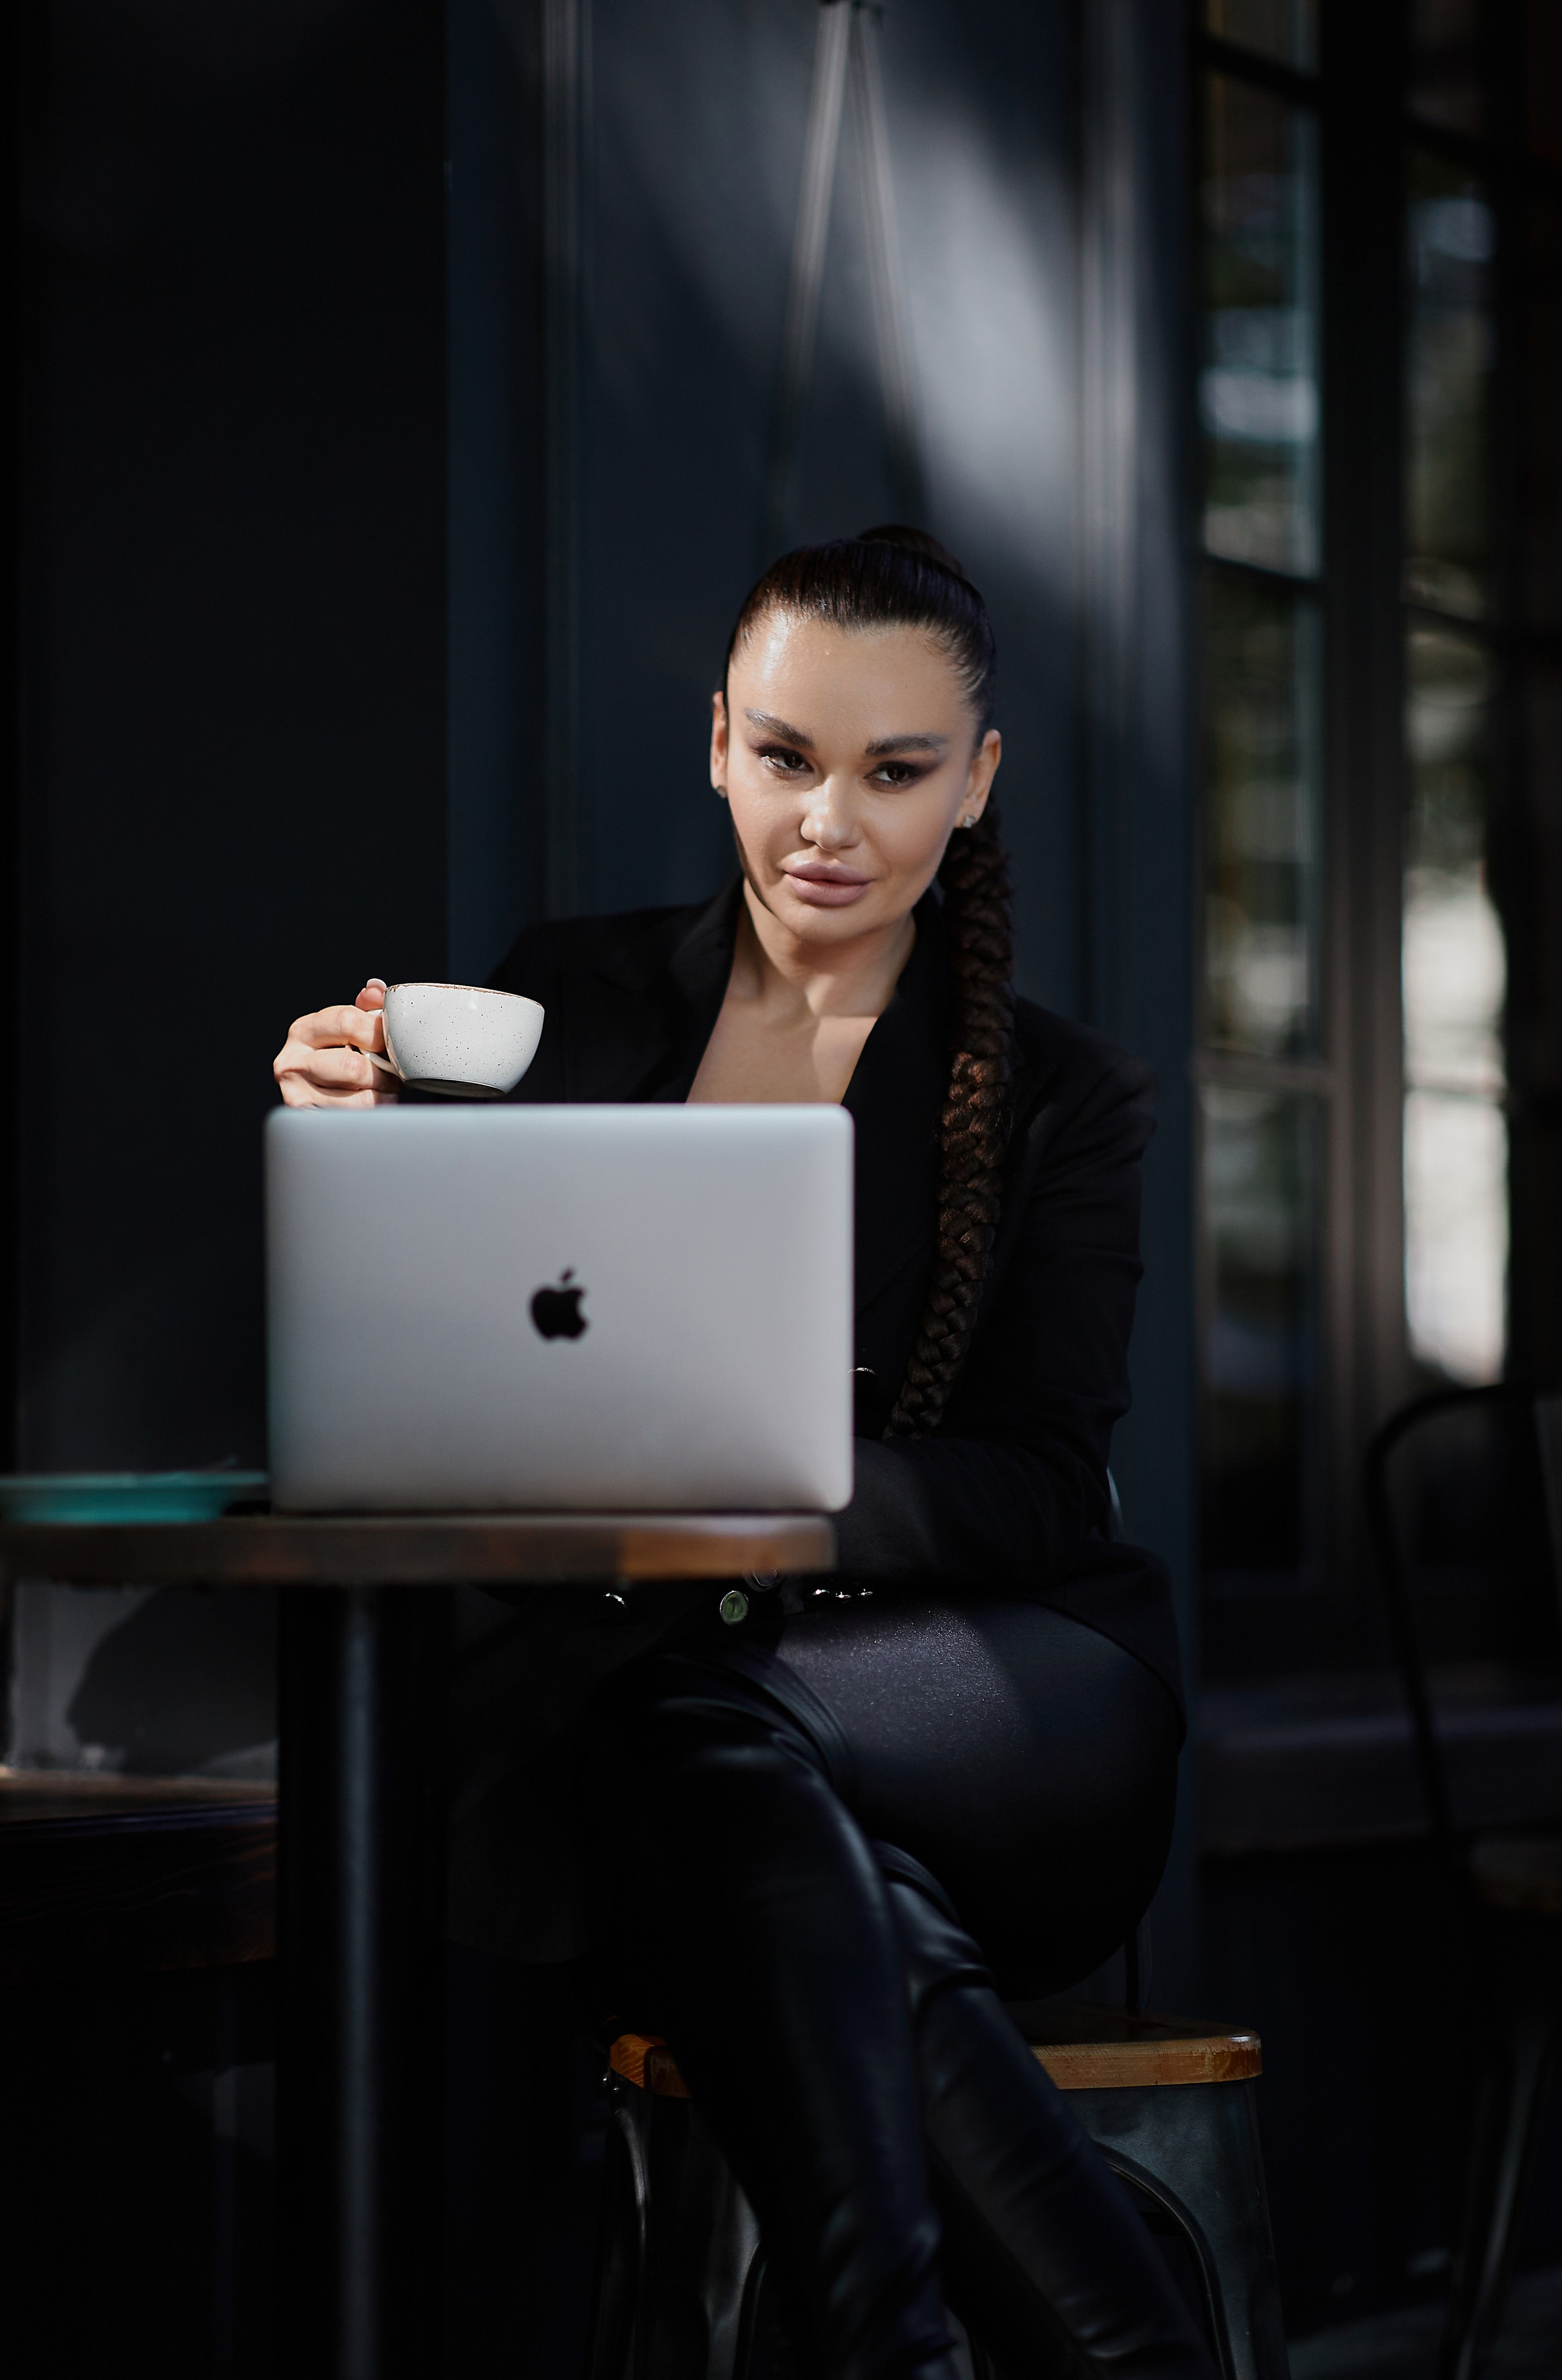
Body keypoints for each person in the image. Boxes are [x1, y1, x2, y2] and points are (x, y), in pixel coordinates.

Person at [275, 528, 1211, 2380]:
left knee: (698, 1742)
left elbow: (1037, 1484)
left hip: (1016, 1693)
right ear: (716, 741)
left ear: (981, 779)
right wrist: (365, 1145)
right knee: (734, 1793)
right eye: (786, 756)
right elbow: (467, 1366)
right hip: (678, 1729)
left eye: (898, 769)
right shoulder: (566, 1001)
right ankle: (1041, 2352)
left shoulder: (1060, 1092)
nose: (828, 823)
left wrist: (762, 1503)